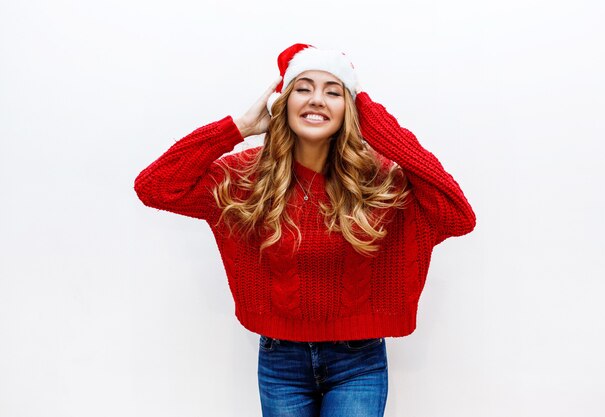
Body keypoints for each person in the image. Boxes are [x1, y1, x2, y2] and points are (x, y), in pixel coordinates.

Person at [134, 43, 476, 417]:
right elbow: (155, 186)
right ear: (283, 101)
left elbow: (457, 215)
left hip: (358, 361)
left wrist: (378, 127)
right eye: (303, 88)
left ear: (352, 108)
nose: (317, 100)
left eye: (333, 92)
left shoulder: (378, 180)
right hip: (281, 362)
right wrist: (239, 127)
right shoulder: (247, 176)